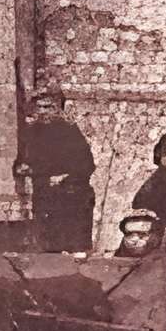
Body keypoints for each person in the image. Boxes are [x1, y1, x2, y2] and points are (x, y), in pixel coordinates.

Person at [15, 93, 97, 253]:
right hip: (43, 193)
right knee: (46, 241)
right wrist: (23, 167)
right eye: (39, 107)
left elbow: (87, 165)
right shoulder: (31, 132)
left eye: (48, 107)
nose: (43, 111)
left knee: (69, 241)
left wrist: (64, 177)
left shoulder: (70, 132)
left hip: (69, 194)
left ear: (57, 109)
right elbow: (24, 161)